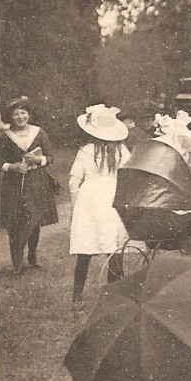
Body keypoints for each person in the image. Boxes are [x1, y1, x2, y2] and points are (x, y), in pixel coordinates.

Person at [68, 104, 132, 307]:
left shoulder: (86, 151)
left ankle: (77, 295)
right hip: (113, 198)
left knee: (85, 249)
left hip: (90, 200)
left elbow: (73, 182)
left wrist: (74, 207)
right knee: (113, 247)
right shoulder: (121, 151)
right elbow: (128, 176)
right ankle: (115, 295)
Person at [0, 96, 59, 274]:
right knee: (15, 222)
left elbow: (51, 157)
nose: (20, 117)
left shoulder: (39, 132)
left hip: (36, 183)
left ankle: (32, 256)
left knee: (34, 220)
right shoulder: (5, 136)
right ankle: (17, 262)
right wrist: (13, 167)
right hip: (14, 185)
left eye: (23, 113)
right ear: (11, 117)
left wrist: (39, 159)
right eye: (16, 114)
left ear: (29, 114)